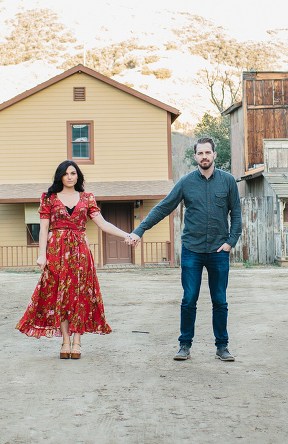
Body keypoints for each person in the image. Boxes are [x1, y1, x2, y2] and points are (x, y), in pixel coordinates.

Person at [125, 137, 241, 362]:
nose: (204, 157)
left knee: (220, 300)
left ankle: (222, 347)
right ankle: (184, 345)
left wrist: (231, 241)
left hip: (219, 251)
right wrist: (139, 230)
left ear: (214, 155)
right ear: (195, 157)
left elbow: (236, 213)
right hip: (192, 250)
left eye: (208, 152)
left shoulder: (227, 182)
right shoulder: (186, 182)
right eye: (200, 153)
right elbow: (164, 207)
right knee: (189, 299)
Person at [16, 160, 133, 359]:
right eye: (66, 173)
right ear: (60, 176)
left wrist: (127, 235)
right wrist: (42, 254)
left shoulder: (87, 198)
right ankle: (65, 341)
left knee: (79, 295)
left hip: (80, 252)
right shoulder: (49, 198)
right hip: (56, 251)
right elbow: (44, 229)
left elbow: (103, 224)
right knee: (60, 296)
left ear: (78, 176)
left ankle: (77, 342)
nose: (70, 177)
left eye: (73, 173)